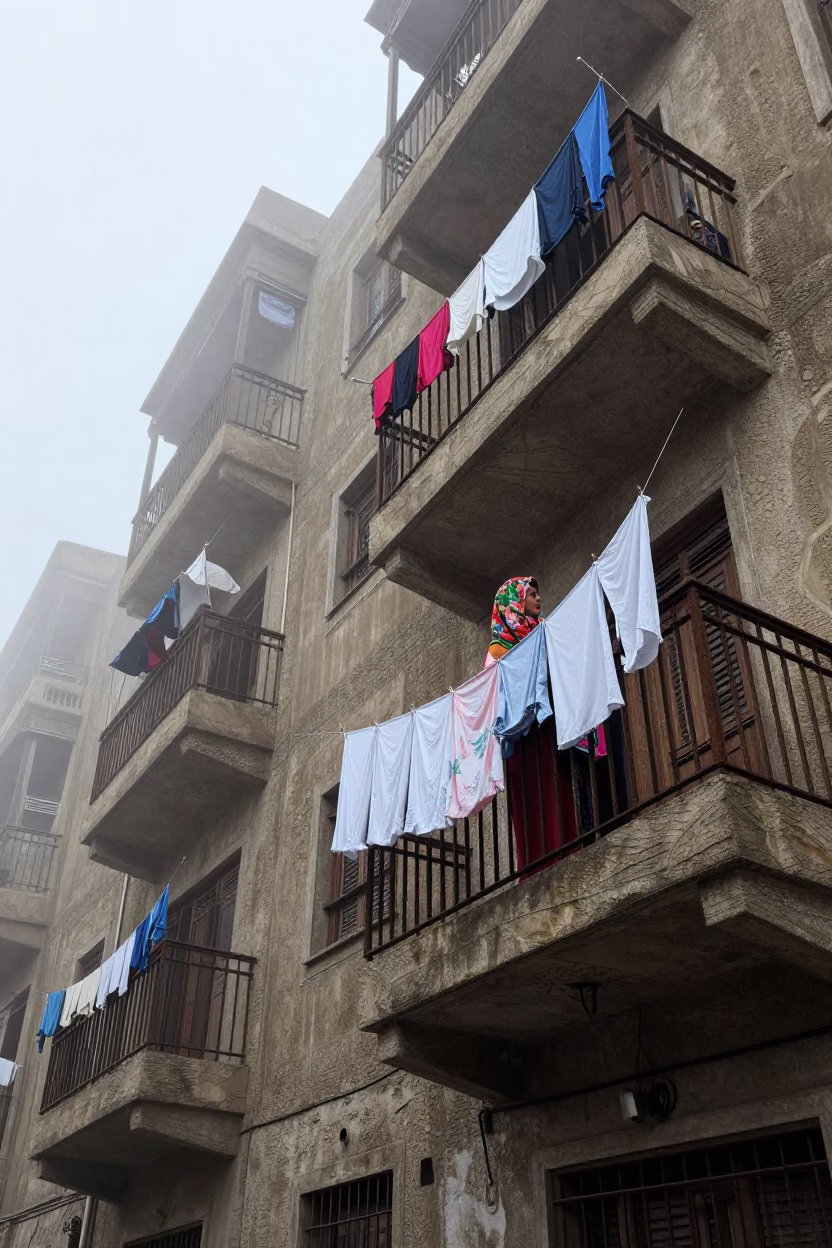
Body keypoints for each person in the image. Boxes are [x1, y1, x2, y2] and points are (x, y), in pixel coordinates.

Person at [485, 576, 578, 872]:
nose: (539, 599)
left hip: (547, 729)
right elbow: (495, 696)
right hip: (521, 739)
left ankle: (568, 850)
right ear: (515, 602)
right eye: (532, 595)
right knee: (531, 802)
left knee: (559, 791)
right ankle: (537, 866)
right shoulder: (498, 651)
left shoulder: (543, 635)